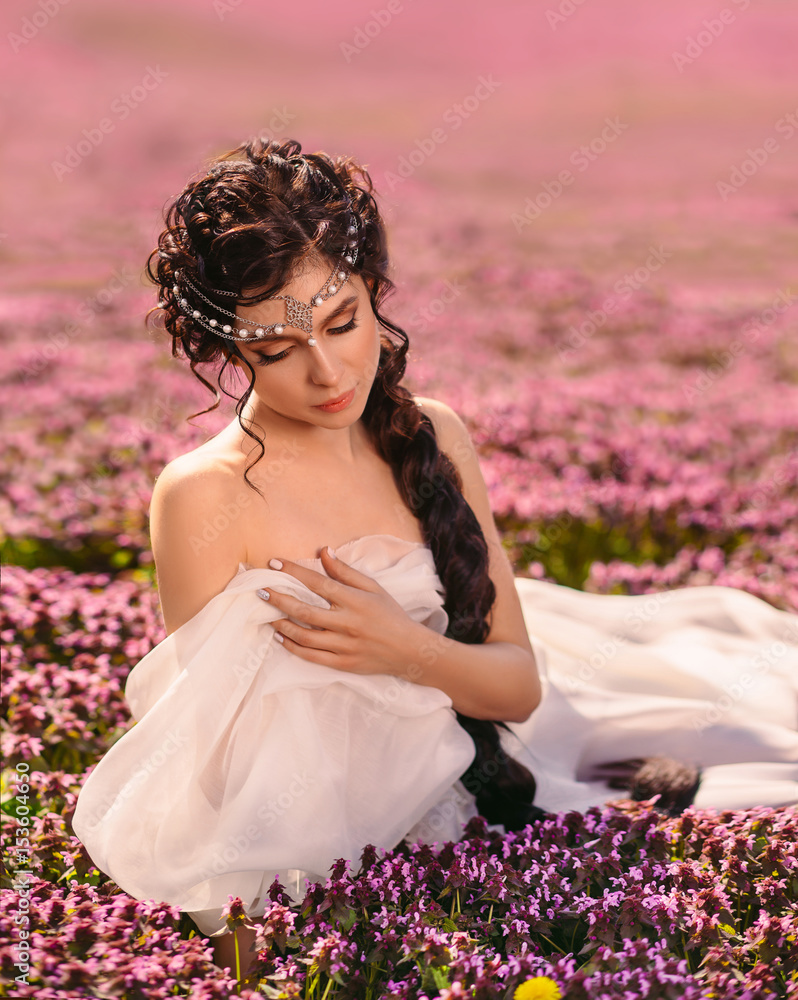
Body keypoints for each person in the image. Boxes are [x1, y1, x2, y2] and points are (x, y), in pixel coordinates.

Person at [71, 136, 798, 981]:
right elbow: (199, 767)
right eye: (274, 351)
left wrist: (404, 651)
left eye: (344, 321)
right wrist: (244, 954)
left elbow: (517, 684)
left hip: (474, 775)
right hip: (306, 841)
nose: (327, 369)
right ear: (230, 353)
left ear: (377, 294)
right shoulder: (202, 495)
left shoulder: (435, 435)